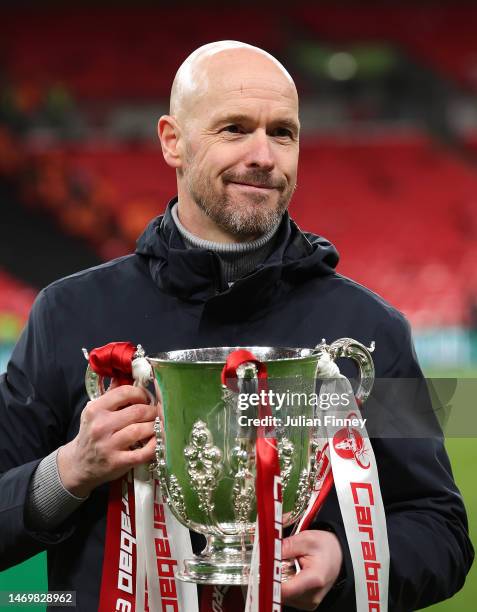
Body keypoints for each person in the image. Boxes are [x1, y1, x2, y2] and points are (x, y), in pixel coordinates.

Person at [0, 41, 473, 611]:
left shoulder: (370, 332)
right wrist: (67, 472)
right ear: (173, 141)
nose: (264, 155)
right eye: (234, 128)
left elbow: (441, 531)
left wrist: (345, 562)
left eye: (283, 132)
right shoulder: (67, 316)